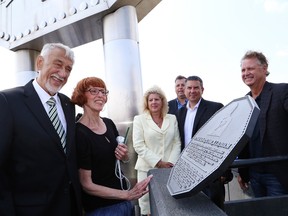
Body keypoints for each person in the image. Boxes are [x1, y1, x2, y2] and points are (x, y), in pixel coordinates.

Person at [0, 43, 82, 216]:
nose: (63, 74)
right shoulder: (8, 101)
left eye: (68, 69)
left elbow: (67, 155)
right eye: (58, 65)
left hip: (70, 208)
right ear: (39, 63)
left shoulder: (68, 105)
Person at [71, 77, 152, 216]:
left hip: (124, 203)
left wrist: (124, 156)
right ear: (81, 95)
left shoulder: (108, 123)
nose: (101, 95)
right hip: (102, 209)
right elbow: (86, 185)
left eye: (103, 92)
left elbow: (121, 160)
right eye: (94, 91)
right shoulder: (79, 133)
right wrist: (126, 194)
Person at [177, 75, 233, 210]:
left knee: (215, 208)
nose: (192, 91)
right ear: (184, 91)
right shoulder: (179, 114)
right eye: (189, 88)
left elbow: (227, 139)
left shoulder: (215, 107)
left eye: (196, 87)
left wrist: (225, 171)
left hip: (211, 172)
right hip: (188, 172)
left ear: (202, 89)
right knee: (193, 209)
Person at [237, 51, 288, 197]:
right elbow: (243, 141)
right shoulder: (243, 103)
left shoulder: (282, 91)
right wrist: (242, 171)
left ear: (264, 69)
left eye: (250, 68)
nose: (246, 73)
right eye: (243, 70)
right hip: (254, 174)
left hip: (279, 175)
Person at [133, 85, 181, 216]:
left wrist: (170, 163)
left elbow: (177, 142)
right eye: (151, 100)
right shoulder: (139, 120)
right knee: (147, 204)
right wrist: (158, 162)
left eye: (157, 99)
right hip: (146, 169)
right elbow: (138, 145)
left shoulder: (172, 118)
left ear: (162, 101)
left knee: (169, 203)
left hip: (169, 170)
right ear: (147, 103)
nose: (153, 102)